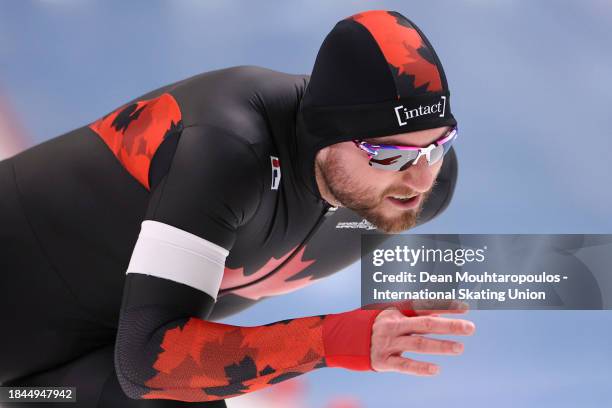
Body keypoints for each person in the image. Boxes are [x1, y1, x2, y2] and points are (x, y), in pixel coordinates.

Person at [0, 9, 475, 407]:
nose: (417, 179)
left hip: (48, 387)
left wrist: (387, 318)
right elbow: (150, 359)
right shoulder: (228, 147)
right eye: (388, 155)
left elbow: (535, 267)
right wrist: (337, 339)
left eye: (437, 146)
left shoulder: (423, 185)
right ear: (325, 137)